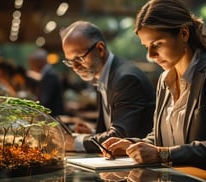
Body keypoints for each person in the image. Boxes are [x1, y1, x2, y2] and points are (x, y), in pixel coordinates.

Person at [101, 0, 206, 181]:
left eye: (157, 44)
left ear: (183, 33)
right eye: (146, 47)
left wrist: (163, 155)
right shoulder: (163, 80)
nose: (150, 56)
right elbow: (163, 139)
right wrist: (134, 145)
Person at [59, 21, 155, 153]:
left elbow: (120, 136)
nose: (75, 67)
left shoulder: (126, 79)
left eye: (79, 58)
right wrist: (92, 133)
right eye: (70, 61)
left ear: (100, 49)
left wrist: (75, 143)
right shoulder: (103, 75)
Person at [28, 48, 65, 116]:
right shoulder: (48, 74)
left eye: (32, 63)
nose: (31, 66)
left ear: (39, 62)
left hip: (54, 115)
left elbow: (45, 100)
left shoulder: (50, 75)